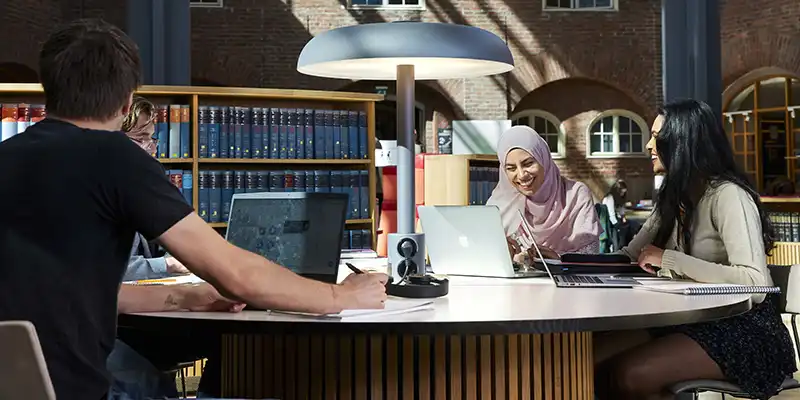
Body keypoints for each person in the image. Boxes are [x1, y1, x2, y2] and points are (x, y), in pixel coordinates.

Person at [0, 18, 387, 400]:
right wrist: (343, 296)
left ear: (49, 90)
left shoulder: (8, 156)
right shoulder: (113, 157)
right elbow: (237, 275)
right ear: (127, 102)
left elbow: (64, 296)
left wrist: (183, 297)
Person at [595, 99, 797, 400]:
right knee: (589, 357)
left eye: (657, 136)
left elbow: (757, 284)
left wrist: (671, 259)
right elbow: (631, 255)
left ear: (683, 142)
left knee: (630, 375)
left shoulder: (728, 195)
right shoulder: (671, 197)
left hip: (746, 329)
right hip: (690, 320)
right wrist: (562, 263)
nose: (649, 145)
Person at [486, 125, 602, 263]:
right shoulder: (500, 203)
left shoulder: (575, 195)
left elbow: (591, 256)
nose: (522, 175)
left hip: (567, 280)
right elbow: (484, 255)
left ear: (544, 159)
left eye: (528, 163)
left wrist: (559, 259)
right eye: (511, 168)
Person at [121, 96, 190, 281]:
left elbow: (160, 239)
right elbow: (113, 269)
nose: (151, 149)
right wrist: (168, 265)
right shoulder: (105, 190)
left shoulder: (137, 186)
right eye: (141, 138)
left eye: (151, 139)